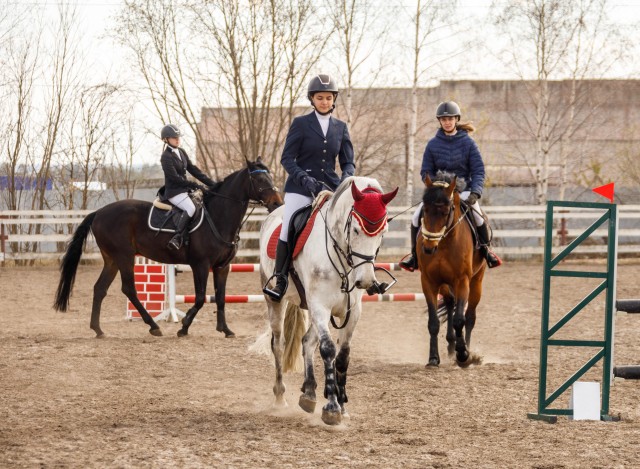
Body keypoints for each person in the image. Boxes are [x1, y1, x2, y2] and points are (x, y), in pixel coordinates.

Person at [263, 74, 355, 301]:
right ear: (312, 99)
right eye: (320, 98)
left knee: (353, 222)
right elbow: (287, 159)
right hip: (300, 188)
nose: (324, 101)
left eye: (328, 98)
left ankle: (360, 275)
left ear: (334, 100)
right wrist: (304, 178)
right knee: (288, 228)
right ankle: (281, 279)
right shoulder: (301, 124)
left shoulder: (341, 128)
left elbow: (348, 162)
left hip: (332, 188)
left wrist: (346, 180)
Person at [400, 101, 502, 271]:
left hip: (463, 191)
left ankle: (486, 251)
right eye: (444, 119)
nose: (447, 122)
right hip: (439, 192)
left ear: (456, 119)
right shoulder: (432, 144)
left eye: (450, 119)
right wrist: (436, 184)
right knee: (415, 217)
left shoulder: (469, 144)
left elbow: (478, 170)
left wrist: (475, 193)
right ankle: (414, 256)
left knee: (478, 217)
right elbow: (425, 171)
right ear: (440, 121)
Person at [160, 124, 216, 250]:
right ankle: (177, 237)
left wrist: (212, 183)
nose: (177, 139)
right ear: (166, 139)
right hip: (174, 192)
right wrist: (194, 184)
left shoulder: (181, 152)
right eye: (174, 137)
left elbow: (193, 169)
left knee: (202, 205)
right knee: (191, 208)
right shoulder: (166, 157)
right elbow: (174, 178)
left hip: (184, 190)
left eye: (178, 137)